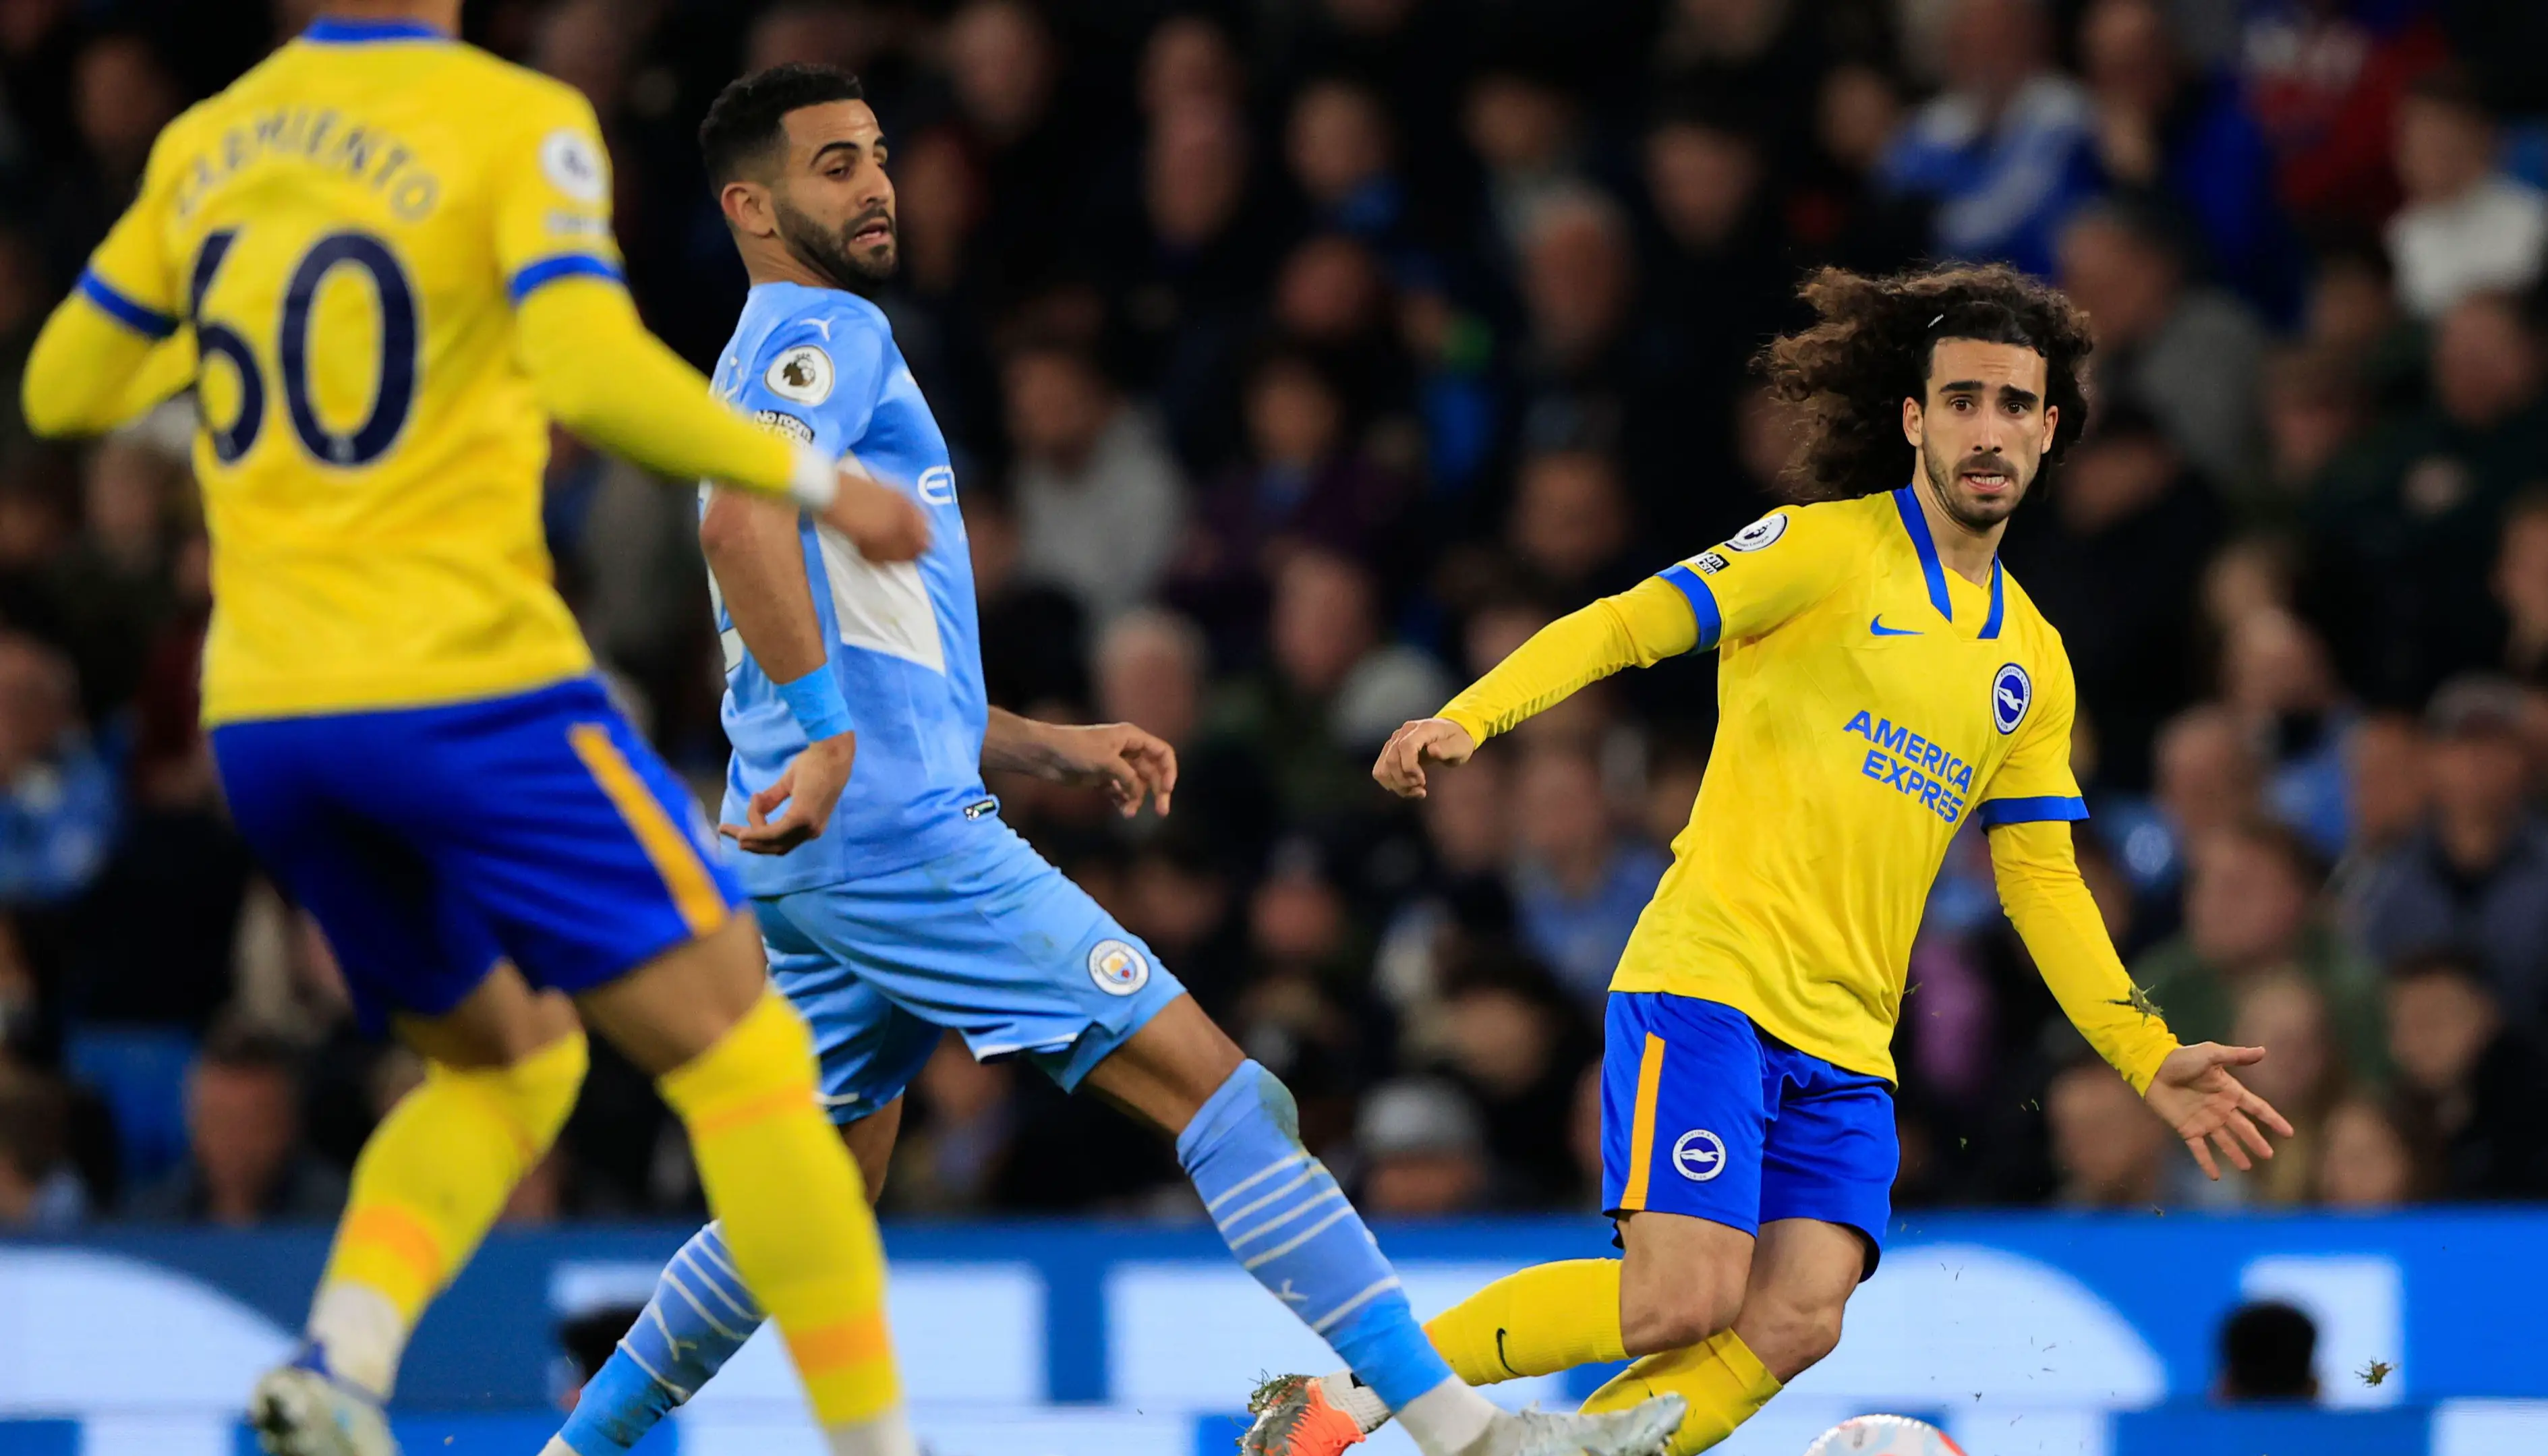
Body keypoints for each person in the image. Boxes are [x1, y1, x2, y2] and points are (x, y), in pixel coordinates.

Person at [542, 65, 1681, 1456]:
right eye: (834, 166)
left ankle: (575, 1447)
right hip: (895, 836)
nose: (877, 184)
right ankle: (1471, 1435)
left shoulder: (774, 352)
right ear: (750, 208)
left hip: (824, 841)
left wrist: (1042, 743)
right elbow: (739, 523)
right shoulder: (824, 332)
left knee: (809, 1190)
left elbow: (863, 643)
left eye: (879, 154)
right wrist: (836, 736)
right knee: (1226, 1092)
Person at [18, 5, 937, 1455]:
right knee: (747, 1057)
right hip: (466, 684)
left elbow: (64, 385)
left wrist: (239, 316)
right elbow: (588, 366)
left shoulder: (208, 147)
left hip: (266, 718)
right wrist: (819, 485)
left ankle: (341, 1359)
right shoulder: (514, 121)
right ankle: (880, 1443)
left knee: (511, 1061)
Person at [1260, 263, 2294, 1456]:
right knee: (1680, 1296)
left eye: (2014, 403)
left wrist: (2147, 1053)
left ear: (2050, 428)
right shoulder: (1821, 550)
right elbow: (1629, 622)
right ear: (1914, 419)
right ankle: (1351, 1391)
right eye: (1961, 400)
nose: (1987, 429)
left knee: (1800, 1313)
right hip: (1716, 981)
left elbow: (2042, 880)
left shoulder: (2034, 661)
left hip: (1850, 1039)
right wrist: (1473, 716)